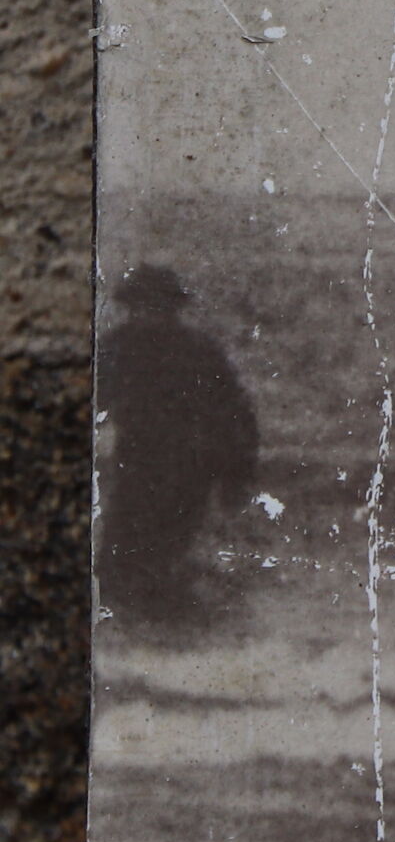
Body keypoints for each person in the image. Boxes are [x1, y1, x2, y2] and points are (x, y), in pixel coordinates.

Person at [94, 263, 261, 634]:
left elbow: (236, 417)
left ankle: (167, 628)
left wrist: (236, 476)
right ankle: (146, 629)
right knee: (124, 555)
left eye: (158, 306)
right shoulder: (116, 348)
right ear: (131, 307)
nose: (150, 315)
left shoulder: (198, 352)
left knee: (162, 549)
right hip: (139, 464)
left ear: (173, 309)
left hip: (188, 469)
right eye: (142, 306)